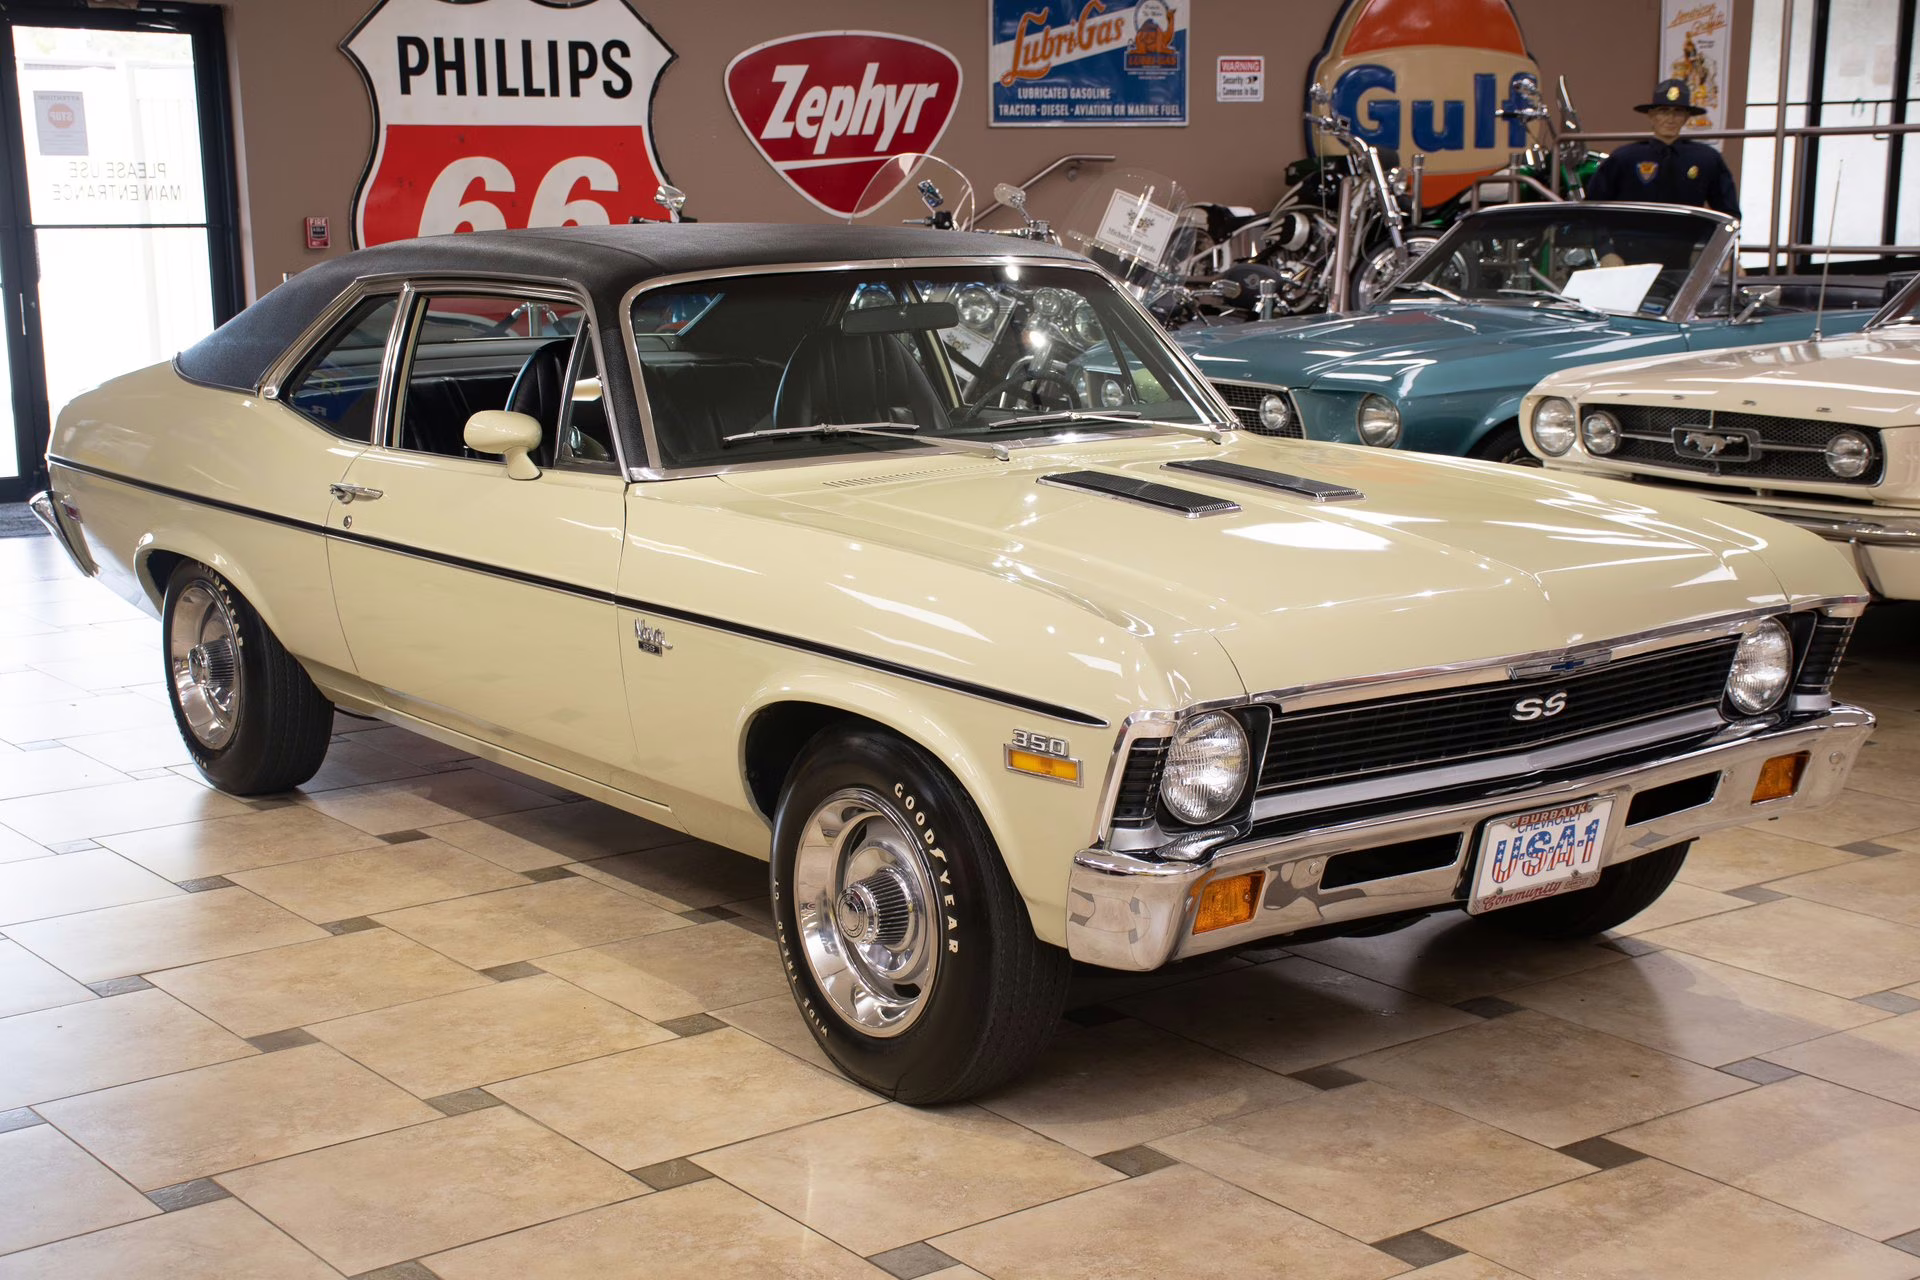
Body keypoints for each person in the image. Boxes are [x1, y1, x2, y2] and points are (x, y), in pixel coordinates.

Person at [1586, 79, 1738, 217]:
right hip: (1630, 242)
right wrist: (1605, 247)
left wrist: (1710, 244)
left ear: (1686, 117)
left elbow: (1728, 212)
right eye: (1663, 111)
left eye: (1678, 112)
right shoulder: (1625, 157)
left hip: (1686, 242)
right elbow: (1594, 205)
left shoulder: (1706, 159)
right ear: (1651, 116)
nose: (1670, 119)